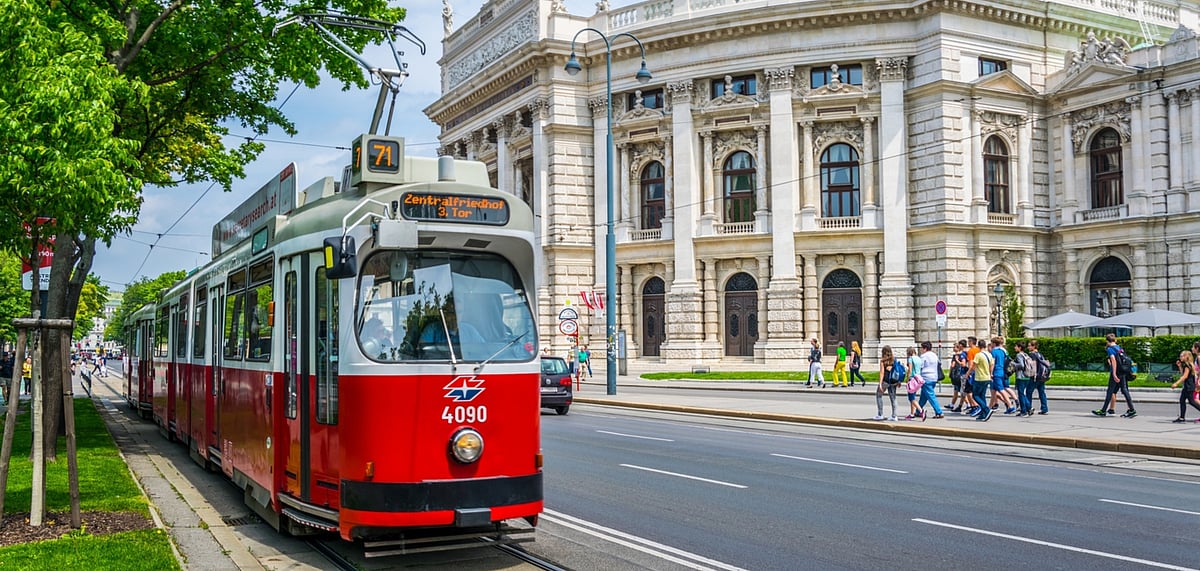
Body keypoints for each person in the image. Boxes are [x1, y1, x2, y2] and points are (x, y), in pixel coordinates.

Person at [1093, 333, 1136, 417]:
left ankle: (1103, 410)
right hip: (1123, 372)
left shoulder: (1110, 349)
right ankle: (1131, 409)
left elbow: (1113, 361)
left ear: (1107, 341)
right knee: (1124, 390)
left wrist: (1114, 373)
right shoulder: (1119, 348)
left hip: (1116, 372)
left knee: (1110, 391)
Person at [1170, 351, 1200, 423]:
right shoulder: (1188, 365)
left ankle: (1182, 417)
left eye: (1182, 356)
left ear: (1187, 357)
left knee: (1191, 401)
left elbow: (1185, 376)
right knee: (1182, 400)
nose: (1180, 357)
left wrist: (1176, 383)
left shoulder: (1187, 366)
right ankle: (1182, 417)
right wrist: (1180, 366)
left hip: (1189, 386)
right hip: (1188, 386)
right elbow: (1183, 374)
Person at [917, 341, 945, 419]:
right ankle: (918, 411)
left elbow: (920, 366)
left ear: (925, 348)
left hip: (926, 377)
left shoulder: (924, 356)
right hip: (934, 377)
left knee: (931, 396)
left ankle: (939, 412)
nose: (921, 350)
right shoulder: (934, 355)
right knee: (924, 396)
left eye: (922, 348)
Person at [967, 339, 993, 421]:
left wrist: (967, 374)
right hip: (987, 377)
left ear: (978, 346)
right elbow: (991, 365)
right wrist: (990, 374)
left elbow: (973, 366)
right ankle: (983, 414)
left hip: (979, 378)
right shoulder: (989, 354)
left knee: (975, 395)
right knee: (982, 395)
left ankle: (986, 409)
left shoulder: (978, 355)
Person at [989, 336, 1016, 414]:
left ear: (994, 344)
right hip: (1002, 371)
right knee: (993, 391)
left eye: (992, 343)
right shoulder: (1003, 351)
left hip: (996, 372)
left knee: (1001, 389)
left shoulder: (994, 351)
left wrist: (990, 373)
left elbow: (992, 363)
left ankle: (1010, 406)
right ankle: (989, 407)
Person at [874, 345, 899, 421]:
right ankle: (894, 416)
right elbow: (897, 370)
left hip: (885, 381)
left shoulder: (883, 361)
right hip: (893, 381)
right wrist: (899, 381)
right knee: (893, 398)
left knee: (878, 395)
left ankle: (880, 414)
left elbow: (882, 373)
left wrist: (880, 384)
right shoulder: (894, 360)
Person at [1012, 341, 1035, 417]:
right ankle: (1027, 408)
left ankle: (1025, 410)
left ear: (1019, 347)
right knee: (1022, 393)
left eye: (1016, 346)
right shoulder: (1025, 354)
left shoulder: (1019, 355)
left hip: (1021, 376)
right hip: (1027, 376)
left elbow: (1021, 365)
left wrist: (1013, 364)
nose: (1015, 348)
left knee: (1021, 394)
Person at [1027, 339, 1050, 415]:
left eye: (1029, 346)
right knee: (1042, 392)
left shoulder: (1032, 355)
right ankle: (1044, 408)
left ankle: (1028, 407)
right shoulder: (1040, 354)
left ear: (1034, 346)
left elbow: (1033, 366)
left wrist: (1030, 374)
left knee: (1029, 392)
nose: (1028, 347)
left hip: (1035, 376)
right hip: (1042, 376)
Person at [905, 347, 923, 420]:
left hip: (912, 379)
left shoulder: (910, 359)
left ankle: (921, 411)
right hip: (918, 379)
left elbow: (910, 370)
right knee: (913, 396)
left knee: (911, 398)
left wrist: (907, 379)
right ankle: (912, 414)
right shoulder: (919, 358)